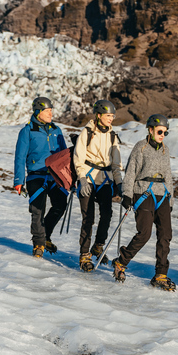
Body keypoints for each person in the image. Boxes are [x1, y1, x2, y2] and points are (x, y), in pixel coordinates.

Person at [111, 114, 176, 291]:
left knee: (165, 235)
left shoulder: (165, 150)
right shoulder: (140, 147)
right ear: (150, 130)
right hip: (143, 194)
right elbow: (131, 171)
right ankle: (120, 262)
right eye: (160, 131)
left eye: (165, 132)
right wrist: (126, 194)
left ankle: (160, 274)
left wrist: (170, 197)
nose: (163, 134)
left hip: (162, 195)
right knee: (144, 234)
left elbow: (168, 175)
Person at [14, 97, 69, 257]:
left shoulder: (56, 130)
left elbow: (64, 155)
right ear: (38, 112)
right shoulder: (27, 131)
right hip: (35, 176)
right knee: (37, 210)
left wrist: (68, 178)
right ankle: (38, 244)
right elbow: (20, 156)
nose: (51, 113)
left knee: (60, 205)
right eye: (47, 111)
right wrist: (18, 181)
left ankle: (45, 236)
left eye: (51, 110)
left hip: (54, 177)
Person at [73, 100, 123, 272]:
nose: (111, 118)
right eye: (108, 115)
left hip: (105, 180)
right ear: (99, 115)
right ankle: (84, 254)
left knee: (107, 215)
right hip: (87, 178)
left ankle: (98, 246)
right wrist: (81, 179)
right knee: (88, 218)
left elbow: (116, 164)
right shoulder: (86, 132)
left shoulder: (112, 136)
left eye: (112, 116)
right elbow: (78, 158)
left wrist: (120, 183)